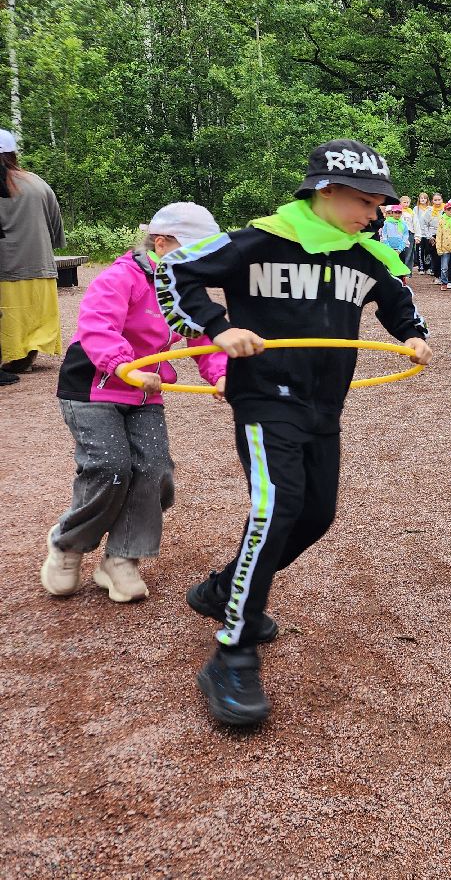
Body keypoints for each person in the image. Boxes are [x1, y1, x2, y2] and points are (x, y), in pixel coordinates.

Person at [156, 139, 431, 728]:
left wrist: (412, 334)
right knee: (277, 507)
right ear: (325, 191)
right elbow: (175, 271)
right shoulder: (259, 241)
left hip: (323, 404)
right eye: (365, 202)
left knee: (316, 515)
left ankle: (223, 590)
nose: (374, 214)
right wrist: (217, 328)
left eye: (379, 205)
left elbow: (396, 298)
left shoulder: (366, 254)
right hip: (264, 396)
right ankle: (232, 654)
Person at [41, 203, 228, 602]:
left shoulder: (186, 291)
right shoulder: (119, 277)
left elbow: (203, 339)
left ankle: (122, 558)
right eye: (194, 251)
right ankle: (68, 544)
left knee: (155, 470)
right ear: (161, 243)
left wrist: (220, 374)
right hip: (94, 385)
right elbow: (98, 326)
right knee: (109, 467)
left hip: (145, 389)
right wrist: (124, 367)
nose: (202, 262)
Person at [0, 128, 64, 380]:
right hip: (38, 263)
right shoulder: (36, 183)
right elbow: (55, 222)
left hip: (5, 267)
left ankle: (13, 353)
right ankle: (26, 354)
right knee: (33, 314)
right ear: (13, 154)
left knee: (8, 314)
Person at [413, 192, 436, 275]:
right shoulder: (416, 208)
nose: (423, 199)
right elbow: (414, 220)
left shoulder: (430, 208)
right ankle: (421, 267)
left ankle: (428, 267)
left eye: (425, 198)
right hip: (419, 233)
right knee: (420, 250)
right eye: (421, 198)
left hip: (428, 233)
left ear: (427, 199)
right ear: (419, 199)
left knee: (428, 250)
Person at [398, 195, 416, 267]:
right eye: (404, 202)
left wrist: (417, 236)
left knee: (409, 252)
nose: (406, 204)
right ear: (400, 203)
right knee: (401, 252)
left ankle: (408, 270)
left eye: (408, 202)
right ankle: (400, 268)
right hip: (400, 233)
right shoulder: (397, 211)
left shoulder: (411, 212)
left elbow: (416, 223)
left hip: (410, 232)